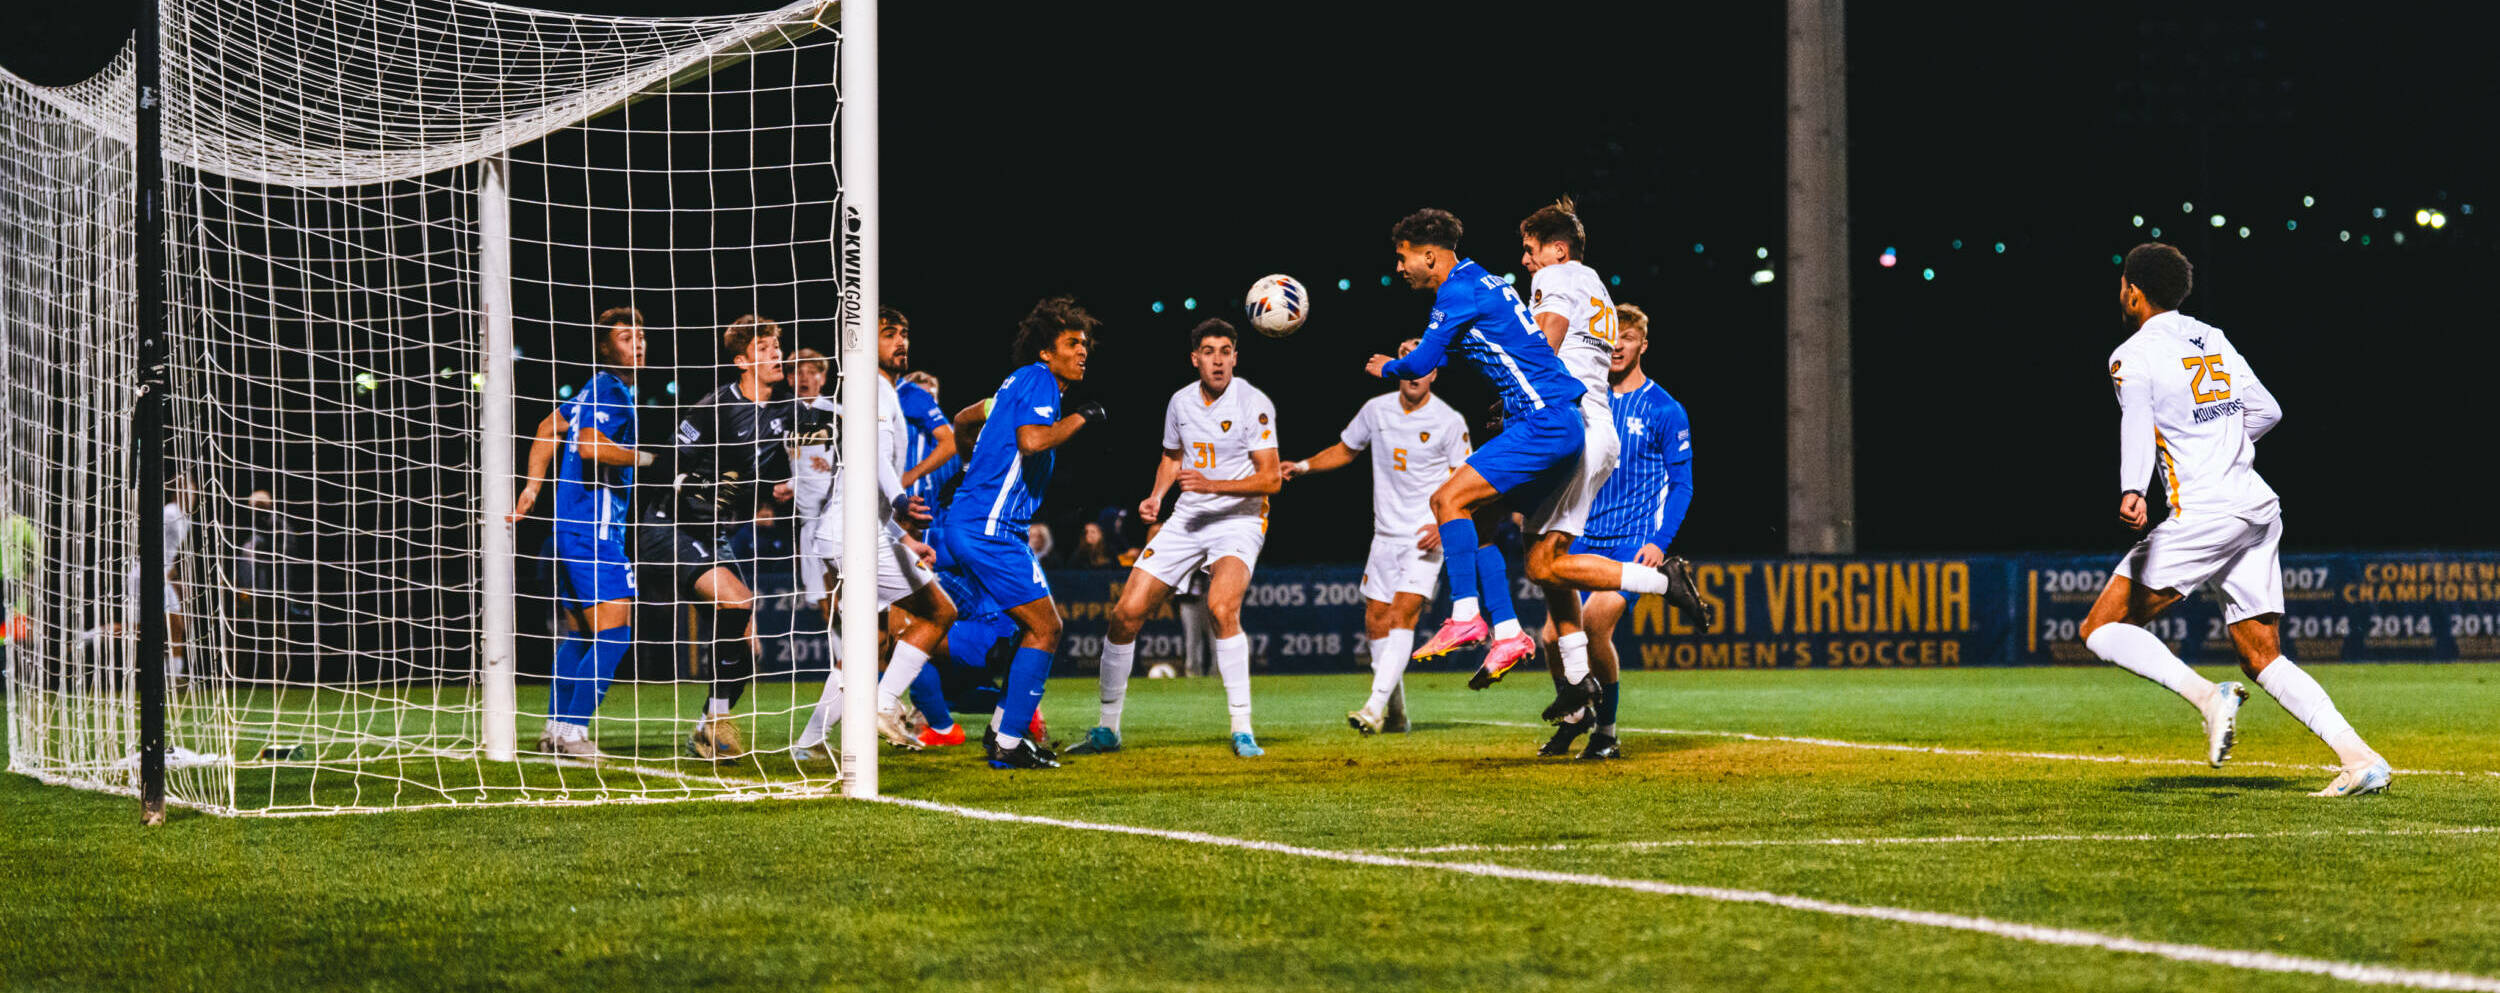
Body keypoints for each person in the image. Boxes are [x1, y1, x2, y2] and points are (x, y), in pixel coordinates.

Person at [2078, 242, 2389, 797]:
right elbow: (2267, 410)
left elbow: (2137, 424)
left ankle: (2206, 697)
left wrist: (2132, 488)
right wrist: (2218, 442)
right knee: (2260, 653)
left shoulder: (2130, 355)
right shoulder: (2212, 337)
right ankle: (2360, 759)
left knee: (2100, 629)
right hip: (2255, 505)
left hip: (2207, 512)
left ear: (2133, 291)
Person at [1070, 318, 1281, 758]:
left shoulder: (1254, 403)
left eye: (1226, 350)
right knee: (1125, 615)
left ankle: (1242, 729)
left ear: (1236, 357)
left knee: (1222, 606)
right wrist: (1156, 497)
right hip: (1187, 517)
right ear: (1195, 359)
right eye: (1209, 351)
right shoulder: (1180, 402)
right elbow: (1171, 457)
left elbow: (1271, 479)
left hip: (1239, 520)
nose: (1218, 359)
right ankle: (1108, 729)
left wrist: (1212, 486)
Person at [933, 296, 1105, 769]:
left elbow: (965, 419)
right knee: (1046, 627)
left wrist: (971, 464)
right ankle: (1007, 740)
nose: (1082, 351)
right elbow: (1031, 441)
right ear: (1046, 352)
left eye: (1085, 344)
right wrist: (1081, 418)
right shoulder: (1039, 380)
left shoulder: (1016, 384)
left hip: (985, 524)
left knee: (1026, 628)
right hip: (989, 528)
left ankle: (1002, 731)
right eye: (1072, 343)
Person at [792, 307, 961, 759]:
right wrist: (904, 500)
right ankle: (884, 705)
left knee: (871, 647)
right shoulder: (874, 390)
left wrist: (904, 537)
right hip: (851, 536)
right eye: (889, 334)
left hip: (859, 531)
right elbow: (874, 462)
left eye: (905, 334)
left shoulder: (885, 392)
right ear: (868, 343)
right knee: (939, 612)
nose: (901, 342)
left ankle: (809, 743)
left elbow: (868, 484)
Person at [1284, 337, 1471, 735]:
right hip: (1384, 536)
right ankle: (1397, 714)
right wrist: (1302, 466)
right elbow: (1346, 449)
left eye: (1423, 362)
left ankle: (1373, 707)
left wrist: (1443, 525)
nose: (1414, 369)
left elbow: (1466, 481)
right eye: (1405, 360)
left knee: (1403, 615)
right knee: (1376, 623)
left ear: (1435, 371)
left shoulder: (1449, 421)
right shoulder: (1376, 410)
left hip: (1424, 537)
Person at [1537, 304, 1692, 759]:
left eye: (1627, 337)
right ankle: (1575, 717)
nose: (1618, 344)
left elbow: (1682, 485)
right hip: (1580, 537)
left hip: (1629, 541)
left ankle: (1606, 731)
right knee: (1550, 639)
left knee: (1593, 624)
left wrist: (1658, 543)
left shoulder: (1665, 408)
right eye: (1611, 336)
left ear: (1643, 344)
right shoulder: (1584, 401)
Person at [640, 314, 795, 761]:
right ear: (742, 361)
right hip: (671, 524)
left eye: (776, 348)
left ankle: (709, 726)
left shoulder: (780, 414)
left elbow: (781, 475)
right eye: (764, 350)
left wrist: (781, 491)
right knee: (738, 602)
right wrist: (689, 482)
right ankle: (718, 721)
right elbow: (670, 460)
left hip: (716, 533)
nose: (775, 356)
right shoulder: (716, 406)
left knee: (749, 642)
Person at [509, 306, 650, 758]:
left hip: (568, 530)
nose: (639, 342)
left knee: (583, 635)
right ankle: (572, 732)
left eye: (641, 334)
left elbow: (548, 427)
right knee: (615, 633)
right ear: (606, 348)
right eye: (626, 337)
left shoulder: (592, 389)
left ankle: (554, 729)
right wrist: (650, 460)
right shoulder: (609, 388)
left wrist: (533, 486)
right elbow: (590, 445)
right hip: (595, 532)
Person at [896, 368, 960, 535]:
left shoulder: (956, 439)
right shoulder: (898, 436)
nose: (924, 404)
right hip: (902, 524)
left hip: (942, 531)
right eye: (919, 397)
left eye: (930, 397)